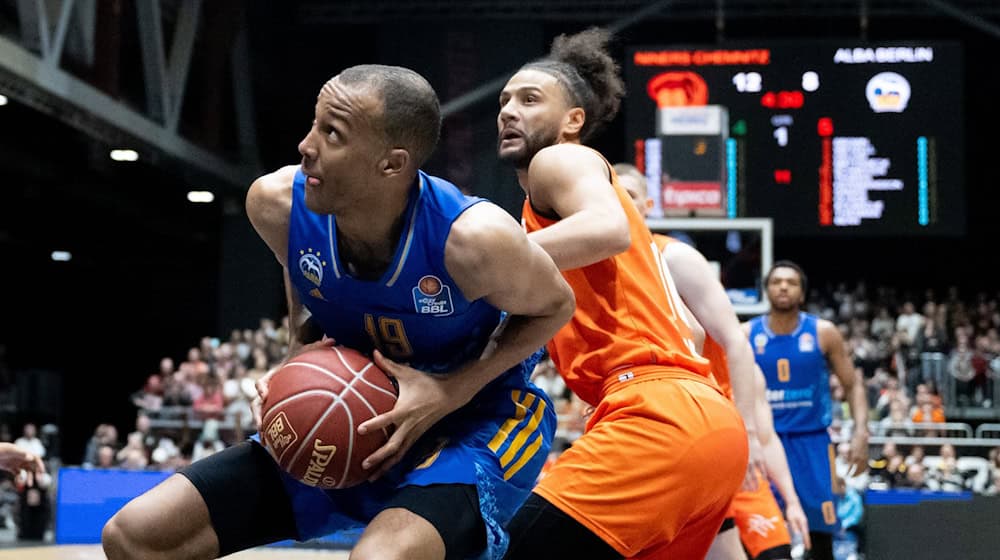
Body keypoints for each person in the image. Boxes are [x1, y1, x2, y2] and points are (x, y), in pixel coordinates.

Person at [102, 64, 575, 560]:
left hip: (474, 420)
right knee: (135, 537)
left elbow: (555, 307)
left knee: (379, 558)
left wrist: (449, 391)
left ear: (391, 164)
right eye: (313, 124)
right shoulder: (276, 204)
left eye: (332, 133)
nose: (306, 146)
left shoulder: (474, 239)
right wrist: (294, 352)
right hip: (350, 417)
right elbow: (301, 269)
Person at [497, 28, 748, 559]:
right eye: (505, 100)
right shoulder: (550, 232)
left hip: (655, 417)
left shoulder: (559, 160)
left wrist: (474, 262)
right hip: (701, 418)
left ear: (573, 122)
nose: (508, 110)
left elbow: (609, 228)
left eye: (529, 99)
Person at [616, 162, 802, 559]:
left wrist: (749, 436)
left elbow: (736, 344)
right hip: (662, 424)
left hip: (712, 421)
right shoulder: (606, 266)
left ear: (647, 204)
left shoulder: (675, 258)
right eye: (613, 194)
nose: (620, 203)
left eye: (629, 195)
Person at [743, 261, 870, 560]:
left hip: (811, 442)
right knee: (763, 534)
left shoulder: (824, 332)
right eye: (776, 282)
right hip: (764, 443)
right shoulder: (746, 334)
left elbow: (853, 385)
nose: (783, 287)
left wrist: (861, 433)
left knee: (821, 537)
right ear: (767, 291)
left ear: (802, 293)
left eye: (791, 282)